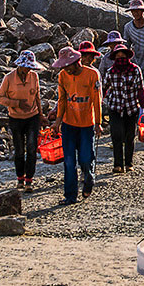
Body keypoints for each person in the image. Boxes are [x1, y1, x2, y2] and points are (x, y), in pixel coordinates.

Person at [51, 47, 102, 205]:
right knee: (69, 161)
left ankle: (89, 178)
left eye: (68, 66)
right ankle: (70, 195)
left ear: (76, 62)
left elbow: (96, 101)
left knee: (86, 159)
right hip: (68, 124)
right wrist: (57, 122)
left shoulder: (92, 75)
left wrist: (98, 123)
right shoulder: (63, 76)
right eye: (63, 66)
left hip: (87, 124)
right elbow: (62, 100)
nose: (66, 69)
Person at [0, 50, 47, 192]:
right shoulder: (9, 78)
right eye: (27, 67)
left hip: (33, 117)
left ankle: (29, 180)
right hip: (15, 118)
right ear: (20, 66)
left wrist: (41, 115)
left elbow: (37, 97)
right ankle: (20, 178)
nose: (29, 69)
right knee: (19, 151)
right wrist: (17, 103)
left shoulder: (34, 77)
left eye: (31, 67)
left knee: (31, 149)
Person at [102, 44, 144, 173]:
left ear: (127, 56)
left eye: (123, 55)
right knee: (116, 135)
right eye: (118, 56)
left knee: (129, 136)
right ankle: (118, 164)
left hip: (131, 107)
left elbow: (140, 90)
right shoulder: (110, 72)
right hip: (115, 107)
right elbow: (104, 88)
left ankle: (129, 163)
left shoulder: (135, 70)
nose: (120, 58)